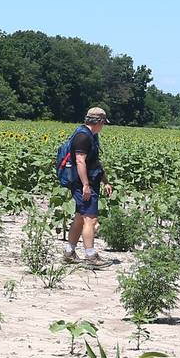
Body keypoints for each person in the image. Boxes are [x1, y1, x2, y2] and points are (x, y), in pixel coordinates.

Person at [63, 107, 113, 268]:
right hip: (83, 184)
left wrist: (105, 181)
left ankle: (69, 252)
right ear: (98, 122)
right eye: (103, 123)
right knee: (90, 219)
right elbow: (80, 161)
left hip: (89, 182)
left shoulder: (91, 136)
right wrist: (85, 185)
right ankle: (91, 255)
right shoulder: (83, 137)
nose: (103, 126)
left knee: (79, 217)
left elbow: (95, 162)